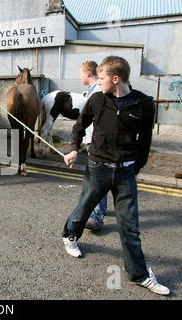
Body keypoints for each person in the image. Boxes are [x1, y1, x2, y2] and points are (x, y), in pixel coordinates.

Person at [62, 56, 170, 296]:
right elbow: (79, 126)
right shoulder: (97, 99)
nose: (98, 82)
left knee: (130, 226)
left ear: (116, 79)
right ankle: (69, 235)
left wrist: (135, 167)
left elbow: (145, 143)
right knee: (84, 209)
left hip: (125, 173)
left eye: (101, 78)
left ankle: (138, 275)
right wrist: (73, 149)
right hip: (97, 168)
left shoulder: (143, 104)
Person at [79, 61, 107, 231]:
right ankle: (101, 209)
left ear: (88, 73)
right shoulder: (93, 90)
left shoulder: (97, 91)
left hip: (97, 143)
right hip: (94, 141)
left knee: (96, 180)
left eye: (81, 73)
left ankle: (96, 217)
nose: (80, 77)